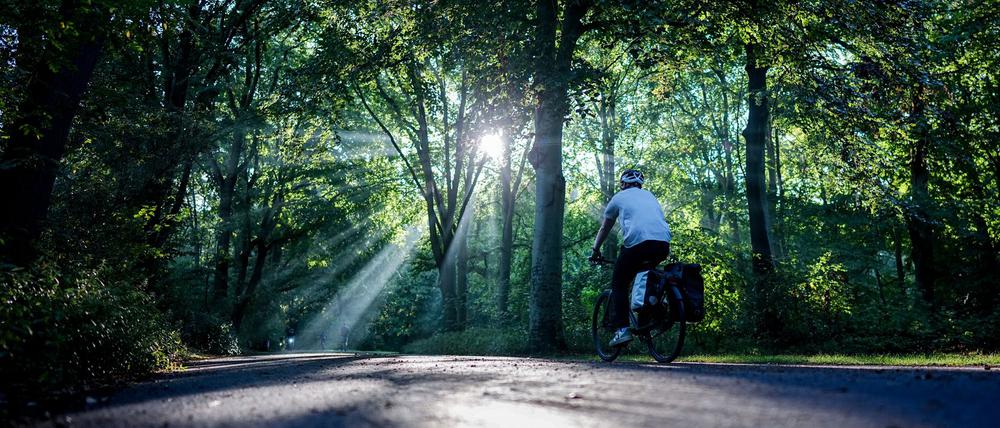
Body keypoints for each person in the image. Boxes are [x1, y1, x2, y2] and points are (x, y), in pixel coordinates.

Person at [589, 169, 672, 347]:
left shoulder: (619, 197)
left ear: (623, 184)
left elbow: (605, 227)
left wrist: (595, 249)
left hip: (639, 244)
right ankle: (650, 316)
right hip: (663, 244)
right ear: (640, 184)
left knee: (619, 284)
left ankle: (622, 330)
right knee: (646, 277)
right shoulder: (649, 195)